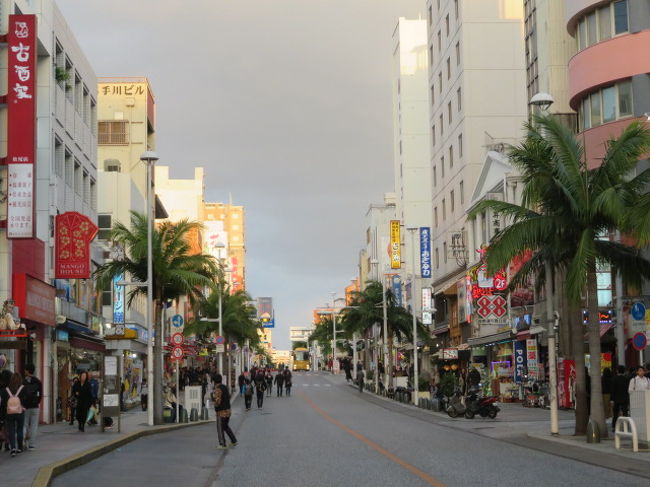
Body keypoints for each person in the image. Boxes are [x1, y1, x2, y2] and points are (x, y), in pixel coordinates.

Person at [0, 372, 28, 457]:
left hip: (9, 413)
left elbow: (3, 404)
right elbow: (26, 399)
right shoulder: (23, 388)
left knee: (11, 430)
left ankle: (13, 449)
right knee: (19, 429)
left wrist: (2, 417)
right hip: (20, 412)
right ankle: (19, 447)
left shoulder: (6, 390)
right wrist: (24, 406)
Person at [212, 374, 237, 449]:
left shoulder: (218, 389)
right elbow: (229, 396)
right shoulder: (225, 387)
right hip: (228, 410)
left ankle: (222, 443)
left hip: (221, 412)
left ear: (214, 381)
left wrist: (215, 404)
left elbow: (217, 401)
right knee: (225, 426)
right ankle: (233, 440)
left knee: (220, 428)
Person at [22, 363, 42, 450]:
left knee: (24, 424)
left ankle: (22, 442)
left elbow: (21, 394)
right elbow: (40, 394)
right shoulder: (38, 381)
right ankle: (32, 445)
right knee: (34, 425)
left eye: (25, 370)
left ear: (27, 370)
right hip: (35, 406)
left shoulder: (23, 381)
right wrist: (37, 402)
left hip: (25, 407)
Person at [611, 365, 630, 432]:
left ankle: (614, 427)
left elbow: (612, 390)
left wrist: (612, 399)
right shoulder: (626, 379)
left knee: (615, 413)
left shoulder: (614, 379)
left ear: (617, 371)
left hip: (616, 398)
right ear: (624, 371)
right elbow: (628, 390)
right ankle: (626, 427)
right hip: (625, 398)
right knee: (625, 413)